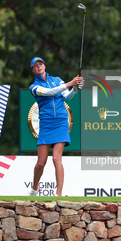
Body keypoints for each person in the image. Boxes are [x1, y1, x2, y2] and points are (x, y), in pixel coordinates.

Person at [28, 57, 83, 196]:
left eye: (41, 64)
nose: (39, 66)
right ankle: (35, 188)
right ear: (33, 70)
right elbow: (50, 92)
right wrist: (71, 82)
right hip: (46, 124)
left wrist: (75, 88)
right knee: (40, 163)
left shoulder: (57, 80)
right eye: (36, 66)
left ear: (45, 66)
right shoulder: (33, 87)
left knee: (56, 159)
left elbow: (68, 96)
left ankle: (58, 194)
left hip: (61, 123)